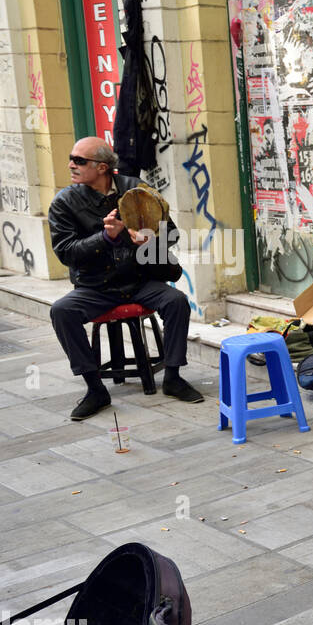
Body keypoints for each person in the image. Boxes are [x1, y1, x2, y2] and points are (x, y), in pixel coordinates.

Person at [48, 138, 202, 420]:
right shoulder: (65, 203)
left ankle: (173, 377)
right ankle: (95, 389)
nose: (71, 164)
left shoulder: (137, 189)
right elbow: (67, 253)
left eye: (79, 160)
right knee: (61, 311)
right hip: (96, 286)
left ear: (103, 167)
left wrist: (147, 240)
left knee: (177, 301)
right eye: (71, 158)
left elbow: (172, 234)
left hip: (139, 280)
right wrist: (106, 237)